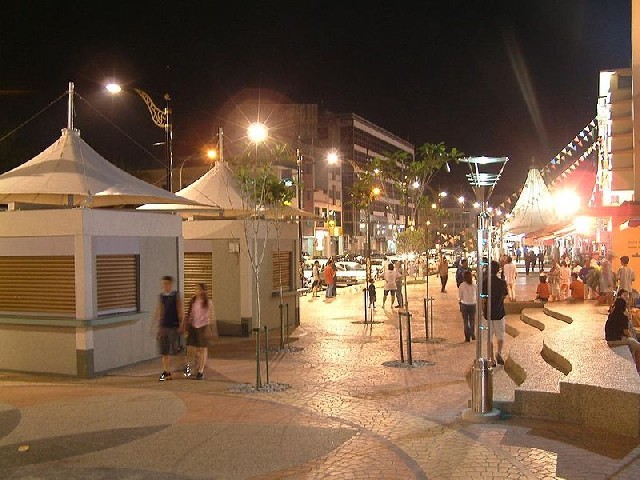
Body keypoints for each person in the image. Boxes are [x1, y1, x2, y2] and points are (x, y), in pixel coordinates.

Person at [184, 283, 215, 380]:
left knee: (202, 349)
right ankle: (194, 365)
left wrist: (212, 329)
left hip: (203, 326)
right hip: (193, 326)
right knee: (190, 349)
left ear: (203, 291)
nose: (197, 291)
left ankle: (200, 371)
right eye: (196, 289)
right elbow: (189, 313)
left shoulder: (208, 302)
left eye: (199, 289)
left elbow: (211, 316)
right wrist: (186, 323)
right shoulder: (193, 301)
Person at [155, 275, 183, 381]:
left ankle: (184, 365)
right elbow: (160, 311)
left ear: (171, 284)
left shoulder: (175, 295)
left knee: (175, 349)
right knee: (164, 350)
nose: (165, 286)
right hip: (164, 326)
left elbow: (180, 309)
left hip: (173, 326)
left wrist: (181, 323)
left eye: (167, 283)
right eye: (164, 284)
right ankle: (166, 371)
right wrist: (159, 327)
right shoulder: (161, 296)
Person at [482, 261, 508, 365]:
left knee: (489, 337)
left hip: (488, 313)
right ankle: (499, 352)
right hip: (499, 312)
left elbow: (483, 298)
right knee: (500, 335)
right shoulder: (502, 283)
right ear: (498, 270)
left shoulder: (485, 282)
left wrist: (483, 308)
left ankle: (491, 359)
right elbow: (505, 295)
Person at [605, 297, 640, 373]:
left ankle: (637, 366)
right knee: (636, 345)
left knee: (633, 346)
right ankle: (638, 367)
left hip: (610, 339)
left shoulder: (612, 314)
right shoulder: (623, 316)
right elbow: (626, 332)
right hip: (615, 341)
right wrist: (632, 338)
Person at [458, 270, 477, 342]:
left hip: (464, 304)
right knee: (472, 320)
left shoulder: (462, 285)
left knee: (465, 321)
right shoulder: (474, 285)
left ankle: (467, 337)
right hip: (473, 304)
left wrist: (460, 301)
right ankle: (472, 334)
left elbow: (460, 296)